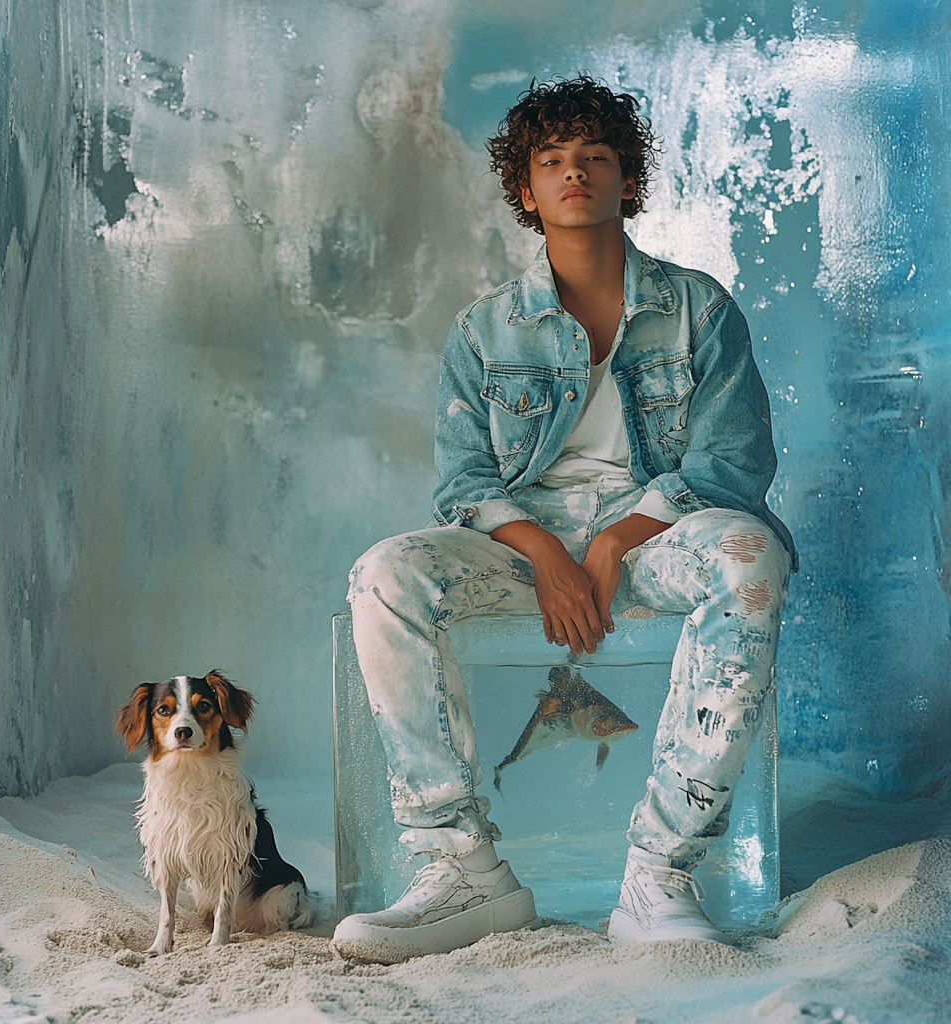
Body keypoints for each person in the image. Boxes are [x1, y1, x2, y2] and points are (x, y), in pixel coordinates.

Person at [333, 75, 796, 964]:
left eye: (595, 156)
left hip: (663, 532)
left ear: (630, 179)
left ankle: (660, 874)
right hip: (520, 540)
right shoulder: (484, 331)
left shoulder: (700, 308)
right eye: (552, 160)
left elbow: (732, 462)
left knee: (750, 558)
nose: (574, 173)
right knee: (384, 572)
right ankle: (463, 871)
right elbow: (464, 481)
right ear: (524, 188)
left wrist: (623, 537)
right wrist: (545, 550)